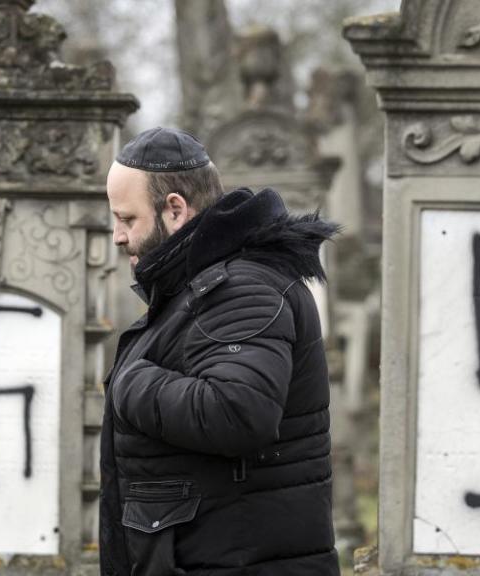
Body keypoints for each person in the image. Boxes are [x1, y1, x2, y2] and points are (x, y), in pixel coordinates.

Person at [100, 126, 340, 576]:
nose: (117, 236)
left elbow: (237, 412)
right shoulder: (200, 287)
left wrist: (131, 382)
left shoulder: (241, 288)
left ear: (174, 209)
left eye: (127, 219)